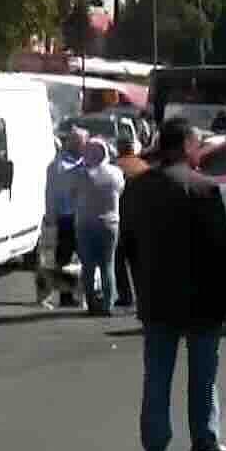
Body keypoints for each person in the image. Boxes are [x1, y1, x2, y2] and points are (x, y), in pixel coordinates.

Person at [119, 118, 226, 451]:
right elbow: (221, 251)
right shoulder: (203, 188)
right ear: (186, 146)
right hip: (201, 298)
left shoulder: (137, 188)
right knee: (204, 372)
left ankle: (155, 447)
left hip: (156, 297)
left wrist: (134, 286)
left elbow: (126, 244)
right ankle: (204, 439)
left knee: (157, 374)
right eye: (197, 143)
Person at [70, 138, 125, 316]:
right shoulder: (116, 173)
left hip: (85, 223)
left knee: (88, 266)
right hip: (110, 223)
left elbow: (72, 193)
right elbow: (121, 190)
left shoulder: (80, 175)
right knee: (108, 264)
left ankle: (92, 303)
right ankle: (108, 304)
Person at [43, 129, 87, 309]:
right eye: (81, 143)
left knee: (85, 259)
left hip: (83, 217)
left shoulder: (84, 163)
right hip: (66, 217)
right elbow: (51, 193)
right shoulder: (58, 165)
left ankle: (85, 294)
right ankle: (67, 296)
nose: (83, 147)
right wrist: (51, 215)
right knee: (65, 259)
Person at [111, 136, 151, 309]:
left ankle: (125, 295)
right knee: (138, 262)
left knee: (119, 261)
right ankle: (142, 296)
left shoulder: (116, 167)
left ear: (119, 149)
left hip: (122, 219)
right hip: (140, 220)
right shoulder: (143, 167)